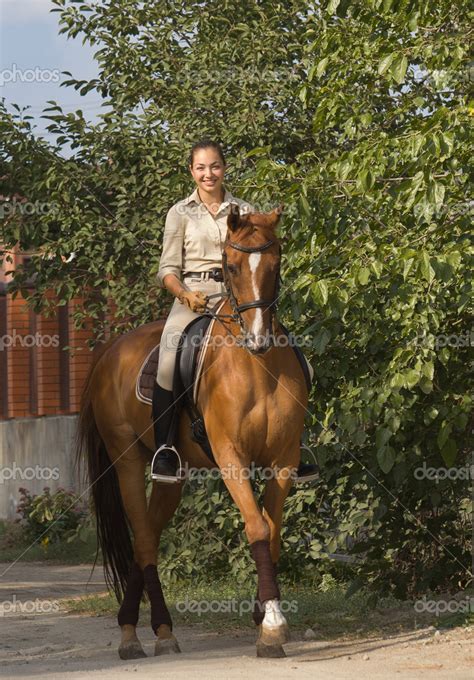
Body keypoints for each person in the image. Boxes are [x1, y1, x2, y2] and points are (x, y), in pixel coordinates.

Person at [152, 139, 318, 484]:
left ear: (224, 168)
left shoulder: (244, 210)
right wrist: (184, 294)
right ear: (191, 172)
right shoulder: (179, 213)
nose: (208, 173)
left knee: (301, 362)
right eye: (200, 167)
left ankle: (296, 445)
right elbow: (167, 268)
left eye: (214, 166)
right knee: (168, 359)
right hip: (194, 296)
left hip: (242, 297)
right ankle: (165, 449)